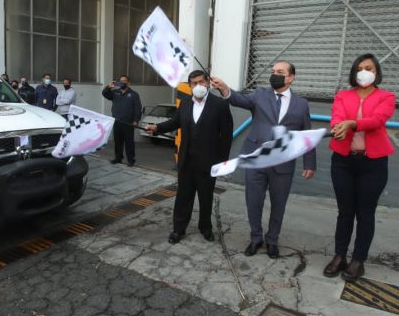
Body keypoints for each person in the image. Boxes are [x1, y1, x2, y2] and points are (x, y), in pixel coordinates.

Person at [211, 61, 316, 259]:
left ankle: (273, 240)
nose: (274, 75)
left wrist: (309, 163)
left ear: (290, 77)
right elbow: (239, 99)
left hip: (283, 163)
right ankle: (255, 238)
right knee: (254, 201)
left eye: (280, 72)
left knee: (279, 204)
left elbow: (306, 134)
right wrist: (225, 89)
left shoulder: (301, 104)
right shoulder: (260, 94)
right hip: (256, 159)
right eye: (273, 71)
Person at [323, 53, 395, 281]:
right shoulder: (343, 95)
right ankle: (339, 256)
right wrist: (338, 126)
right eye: (361, 68)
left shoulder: (387, 96)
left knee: (366, 213)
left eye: (370, 68)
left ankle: (358, 260)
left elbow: (378, 120)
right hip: (343, 161)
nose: (365, 72)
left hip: (373, 163)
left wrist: (353, 123)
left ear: (377, 73)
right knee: (345, 211)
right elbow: (336, 117)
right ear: (354, 72)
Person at [146, 71, 232, 244]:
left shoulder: (219, 105)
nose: (198, 86)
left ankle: (205, 228)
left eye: (201, 82)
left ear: (208, 82)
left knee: (206, 197)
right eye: (194, 83)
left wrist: (223, 161)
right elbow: (174, 122)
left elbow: (227, 135)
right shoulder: (185, 103)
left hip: (208, 162)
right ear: (190, 85)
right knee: (183, 197)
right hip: (186, 160)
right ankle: (179, 229)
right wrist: (157, 128)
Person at [102, 75, 141, 166]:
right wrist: (108, 87)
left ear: (128, 83)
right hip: (117, 121)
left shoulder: (134, 94)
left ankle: (131, 160)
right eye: (120, 81)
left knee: (129, 142)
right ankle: (118, 158)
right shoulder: (116, 92)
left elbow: (137, 108)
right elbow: (104, 94)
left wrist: (136, 120)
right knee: (118, 141)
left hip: (128, 123)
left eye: (124, 81)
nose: (122, 82)